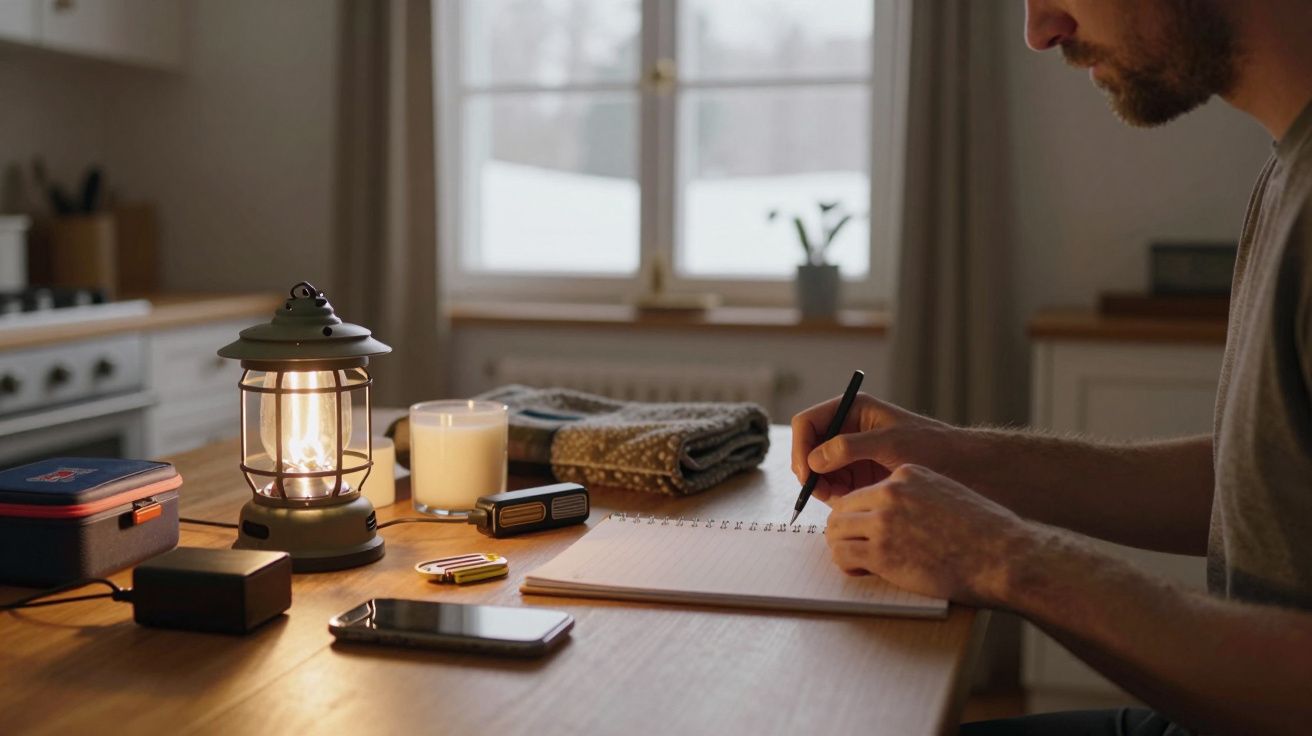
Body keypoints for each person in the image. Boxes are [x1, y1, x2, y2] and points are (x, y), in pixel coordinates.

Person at [790, 1, 1312, 734]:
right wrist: (957, 457)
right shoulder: (1290, 167)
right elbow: (1256, 483)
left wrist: (1003, 558)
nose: (1040, 29)